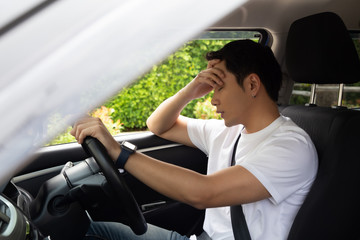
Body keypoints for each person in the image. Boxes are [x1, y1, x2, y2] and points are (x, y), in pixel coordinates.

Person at [72, 40, 318, 240]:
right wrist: (192, 89)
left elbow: (204, 192)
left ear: (252, 84)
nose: (212, 99)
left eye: (219, 87)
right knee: (81, 230)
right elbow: (158, 124)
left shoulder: (291, 146)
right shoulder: (227, 131)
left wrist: (119, 153)